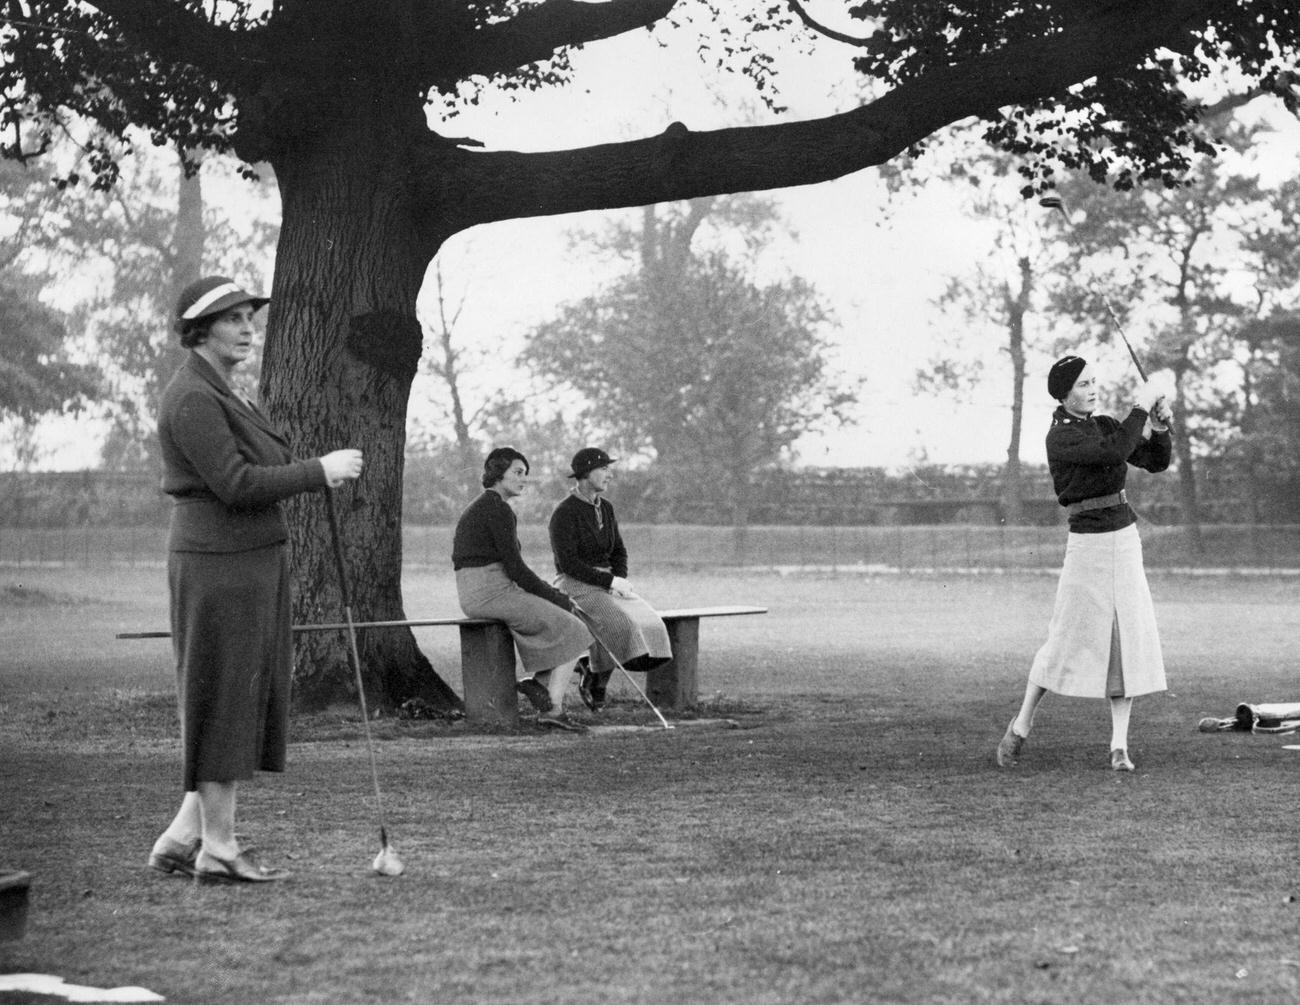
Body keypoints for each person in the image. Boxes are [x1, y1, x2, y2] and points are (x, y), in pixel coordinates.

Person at [147, 275, 364, 884]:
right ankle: (218, 846)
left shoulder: (223, 392)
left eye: (249, 318)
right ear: (200, 328)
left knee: (240, 696)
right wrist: (317, 471)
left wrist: (309, 473)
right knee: (223, 699)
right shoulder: (192, 396)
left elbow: (255, 467)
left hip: (250, 560)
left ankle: (182, 836)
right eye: (233, 319)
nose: (248, 329)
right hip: (217, 565)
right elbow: (236, 484)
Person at [996, 354, 1173, 772]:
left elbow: (1155, 461)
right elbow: (1113, 452)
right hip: (1087, 545)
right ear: (1063, 394)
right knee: (1065, 638)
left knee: (1125, 638)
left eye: (1094, 382)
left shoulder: (1107, 424)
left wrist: (1160, 426)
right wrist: (1141, 408)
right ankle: (1020, 726)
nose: (1092, 390)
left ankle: (1119, 747)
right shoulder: (1061, 437)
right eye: (1082, 385)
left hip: (1124, 539)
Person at [452, 446, 593, 731]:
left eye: (525, 474)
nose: (523, 479)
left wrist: (555, 599)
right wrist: (559, 598)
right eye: (517, 472)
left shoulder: (488, 506)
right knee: (576, 629)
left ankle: (537, 683)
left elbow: (513, 572)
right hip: (490, 592)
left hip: (487, 591)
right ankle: (553, 708)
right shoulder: (496, 509)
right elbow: (517, 570)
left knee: (563, 620)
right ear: (497, 474)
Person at [548, 448, 672, 711]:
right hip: (574, 583)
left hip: (607, 581)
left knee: (652, 624)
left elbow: (618, 550)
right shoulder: (564, 513)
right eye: (603, 469)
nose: (609, 474)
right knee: (619, 623)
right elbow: (568, 563)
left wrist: (619, 580)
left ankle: (592, 670)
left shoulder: (607, 508)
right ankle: (596, 680)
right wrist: (609, 583)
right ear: (585, 473)